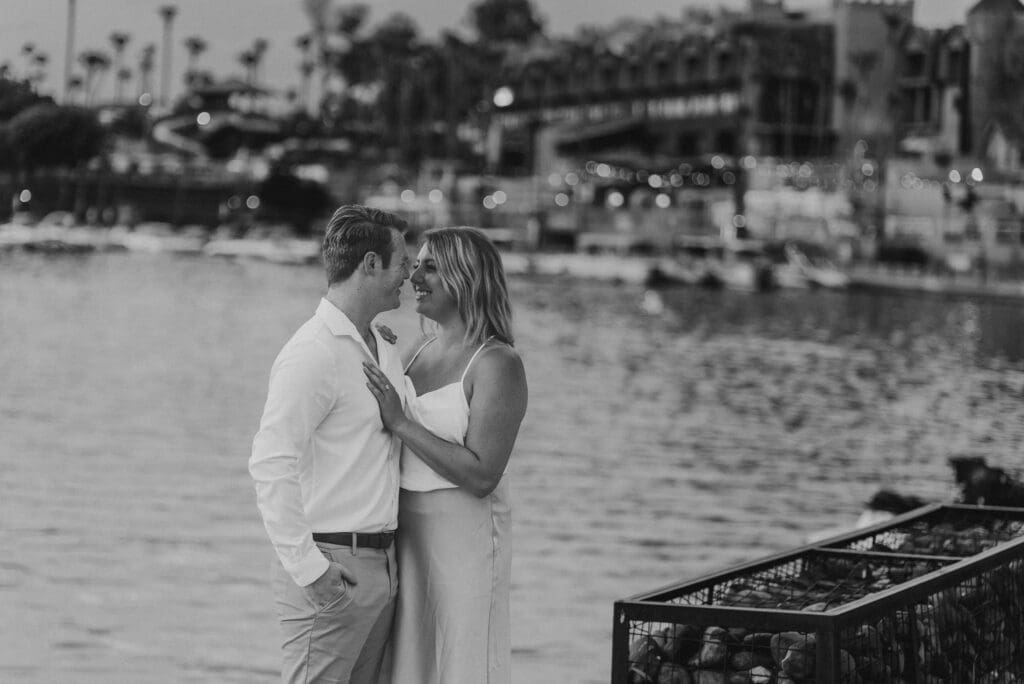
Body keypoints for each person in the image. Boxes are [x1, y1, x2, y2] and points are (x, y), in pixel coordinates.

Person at [249, 205, 411, 684]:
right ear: (370, 264)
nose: (408, 272)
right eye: (401, 261)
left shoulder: (381, 346)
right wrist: (310, 570)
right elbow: (269, 462)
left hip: (382, 567)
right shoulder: (313, 351)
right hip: (332, 565)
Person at [362, 226, 528, 684]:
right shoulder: (420, 349)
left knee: (460, 657)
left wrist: (401, 422)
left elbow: (481, 475)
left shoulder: (498, 364)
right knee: (408, 660)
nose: (415, 275)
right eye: (415, 265)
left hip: (464, 535)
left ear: (466, 277)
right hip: (404, 528)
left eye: (430, 266)